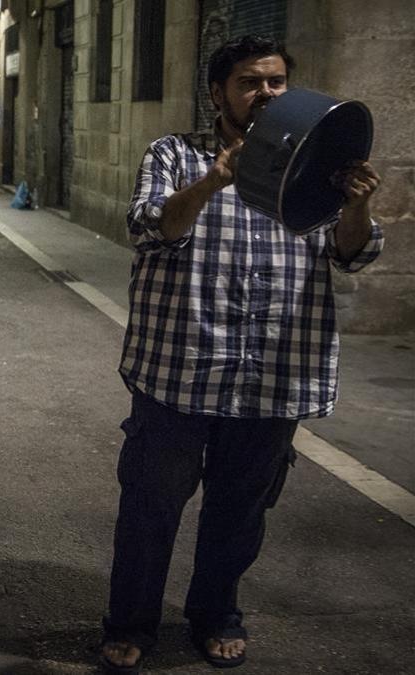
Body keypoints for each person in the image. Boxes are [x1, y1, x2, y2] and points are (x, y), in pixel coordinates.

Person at [99, 35, 383, 674]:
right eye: (251, 83)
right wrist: (211, 182)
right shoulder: (175, 153)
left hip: (275, 374)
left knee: (240, 509)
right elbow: (149, 228)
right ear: (218, 94)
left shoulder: (321, 167)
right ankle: (130, 623)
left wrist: (356, 207)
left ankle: (215, 615)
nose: (267, 94)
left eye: (277, 82)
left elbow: (356, 254)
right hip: (180, 367)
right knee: (151, 503)